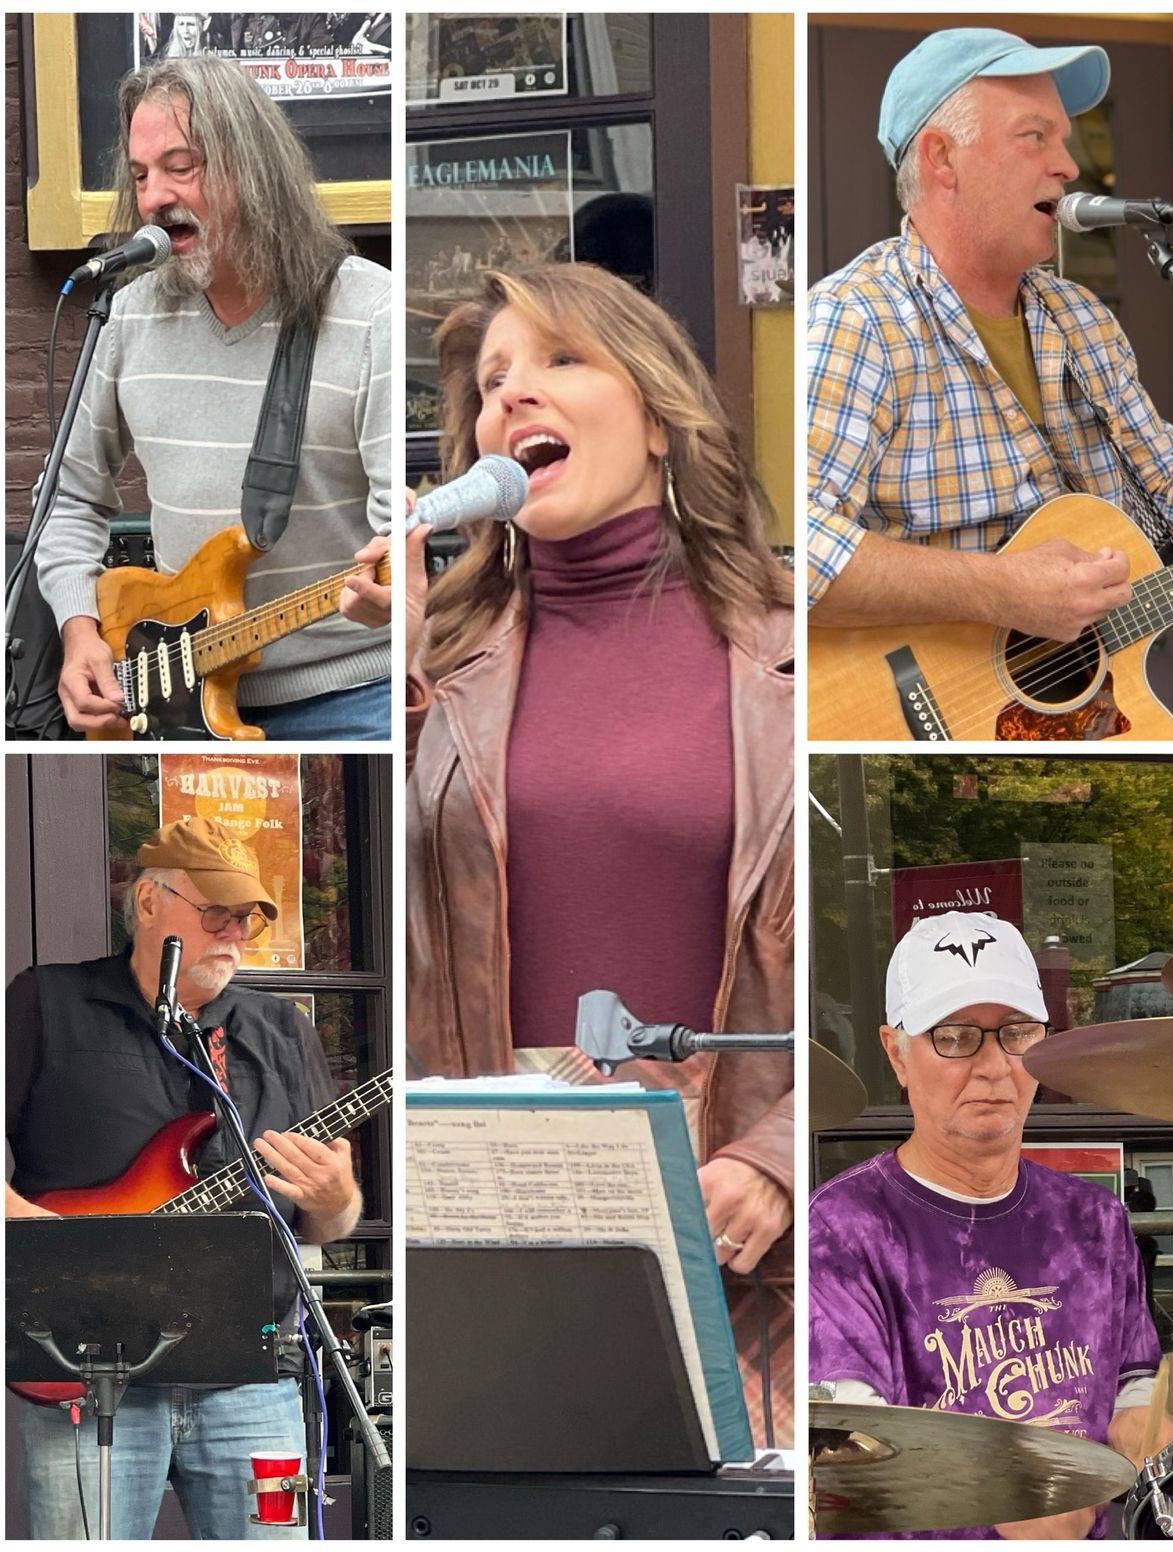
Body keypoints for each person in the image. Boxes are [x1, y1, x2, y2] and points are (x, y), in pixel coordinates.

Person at [406, 262, 794, 1445]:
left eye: (559, 360)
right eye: (490, 382)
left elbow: (850, 929)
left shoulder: (791, 651)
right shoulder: (431, 656)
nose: (513, 398)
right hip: (492, 1200)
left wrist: (778, 1157)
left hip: (732, 1224)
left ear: (664, 417)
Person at [6, 816, 361, 1539]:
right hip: (90, 1369)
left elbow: (331, 1219)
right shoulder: (45, 1003)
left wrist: (337, 1202)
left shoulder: (280, 1031)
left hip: (253, 1379)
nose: (233, 932)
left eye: (246, 921)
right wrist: (40, 1235)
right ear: (147, 903)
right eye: (215, 914)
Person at [36, 55, 392, 740]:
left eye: (181, 166)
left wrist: (395, 593)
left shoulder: (368, 312)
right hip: (176, 701)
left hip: (351, 694)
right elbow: (68, 497)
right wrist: (80, 631)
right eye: (141, 176)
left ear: (252, 167)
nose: (153, 197)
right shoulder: (126, 317)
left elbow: (394, 545)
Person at [808, 28, 1173, 645]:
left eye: (1063, 141)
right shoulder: (857, 321)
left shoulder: (1082, 318)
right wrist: (998, 589)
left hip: (1090, 703)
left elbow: (1170, 478)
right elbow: (797, 550)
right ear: (942, 158)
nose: (1068, 166)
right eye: (1034, 136)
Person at [810, 910, 1173, 1539]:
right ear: (896, 1051)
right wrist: (1008, 1524)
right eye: (954, 1036)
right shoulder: (844, 1230)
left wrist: (1160, 1447)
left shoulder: (1093, 1219)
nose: (991, 1067)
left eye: (1015, 1033)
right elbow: (852, 1466)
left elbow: (1130, 1389)